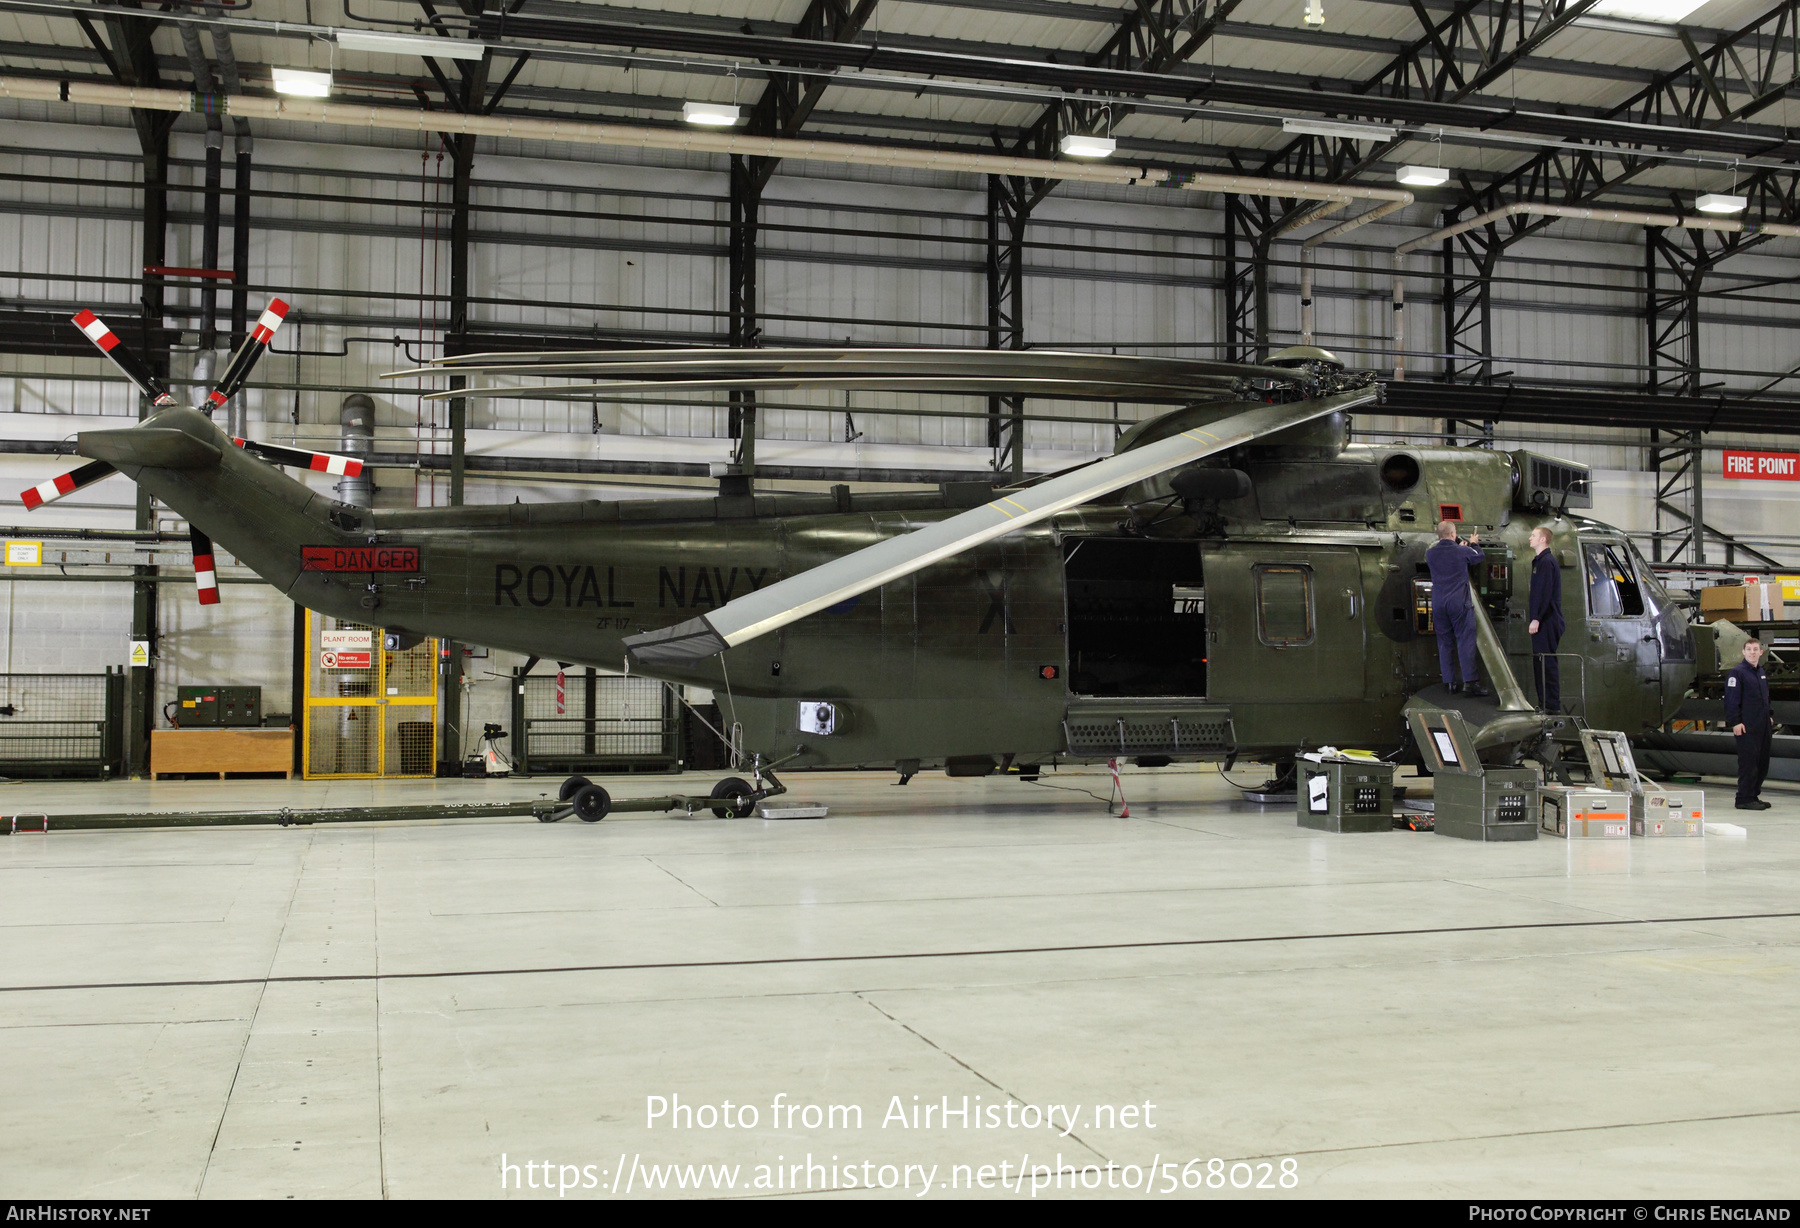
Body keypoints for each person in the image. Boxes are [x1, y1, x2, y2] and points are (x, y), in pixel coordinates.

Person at [1426, 520, 1487, 696]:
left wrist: (1460, 548)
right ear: (1453, 534)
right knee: (1464, 640)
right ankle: (1469, 683)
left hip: (1438, 603)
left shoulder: (1430, 553)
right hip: (1458, 603)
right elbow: (1478, 556)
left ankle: (1449, 683)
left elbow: (1447, 559)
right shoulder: (1462, 551)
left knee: (1444, 643)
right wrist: (1474, 542)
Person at [1724, 637, 1774, 811]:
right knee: (1749, 763)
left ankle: (1753, 795)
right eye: (1749, 649)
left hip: (1763, 725)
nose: (1752, 652)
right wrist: (1735, 722)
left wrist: (1770, 715)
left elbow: (1765, 697)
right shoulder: (1737, 673)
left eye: (1756, 649)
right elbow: (1731, 700)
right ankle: (1743, 798)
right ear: (1743, 652)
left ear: (1761, 652)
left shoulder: (1760, 672)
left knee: (1762, 763)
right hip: (1747, 726)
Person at [1526, 526, 1565, 712]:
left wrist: (1536, 618)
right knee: (1540, 662)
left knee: (1546, 662)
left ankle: (1551, 705)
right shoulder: (1540, 562)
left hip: (1547, 620)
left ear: (1543, 539)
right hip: (1543, 619)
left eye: (1533, 535)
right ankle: (1544, 703)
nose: (1530, 538)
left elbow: (1544, 593)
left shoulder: (1547, 562)